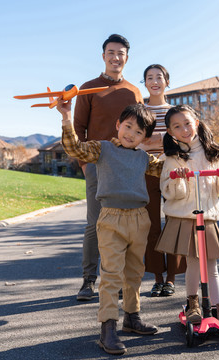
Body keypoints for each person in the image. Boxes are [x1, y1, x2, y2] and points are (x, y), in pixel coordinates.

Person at [58, 99, 163, 356]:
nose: (131, 134)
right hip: (111, 219)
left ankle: (132, 317)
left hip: (140, 218)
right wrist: (66, 117)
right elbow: (74, 148)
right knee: (112, 274)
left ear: (145, 138)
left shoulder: (144, 159)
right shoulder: (102, 149)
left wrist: (183, 150)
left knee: (135, 272)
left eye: (139, 132)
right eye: (128, 127)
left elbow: (168, 169)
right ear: (118, 125)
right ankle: (108, 326)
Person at [74, 34, 143, 301]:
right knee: (95, 223)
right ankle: (88, 280)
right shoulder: (88, 88)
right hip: (96, 164)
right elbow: (78, 127)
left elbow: (139, 129)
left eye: (121, 53)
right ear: (103, 55)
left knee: (125, 224)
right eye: (111, 52)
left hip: (126, 167)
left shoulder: (133, 91)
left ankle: (120, 282)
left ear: (127, 57)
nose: (116, 57)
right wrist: (83, 163)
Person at [156, 104, 219, 325]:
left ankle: (218, 307)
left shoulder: (214, 153)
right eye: (177, 127)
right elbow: (170, 193)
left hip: (207, 216)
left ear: (197, 124)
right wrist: (179, 179)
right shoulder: (172, 158)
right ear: (171, 132)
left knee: (211, 265)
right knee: (193, 262)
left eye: (187, 124)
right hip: (186, 216)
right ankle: (193, 303)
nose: (184, 129)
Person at [137, 64, 186, 297]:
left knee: (175, 223)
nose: (154, 81)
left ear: (167, 81)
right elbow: (137, 143)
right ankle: (157, 277)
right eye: (149, 77)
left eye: (159, 77)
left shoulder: (175, 112)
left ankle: (172, 278)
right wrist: (162, 139)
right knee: (151, 227)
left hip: (172, 170)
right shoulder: (139, 111)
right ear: (144, 82)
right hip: (145, 173)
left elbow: (181, 140)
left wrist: (153, 140)